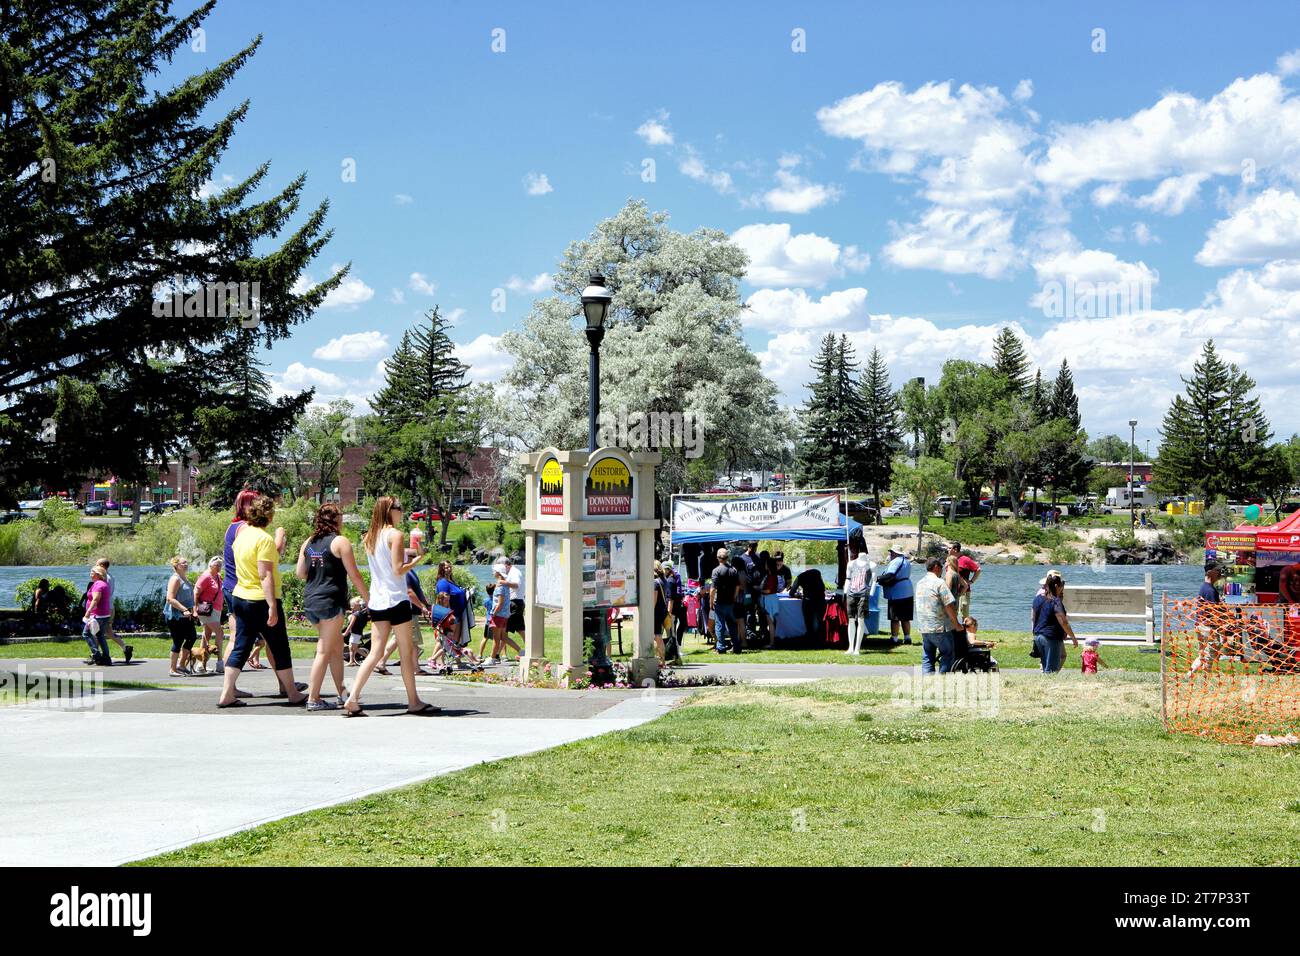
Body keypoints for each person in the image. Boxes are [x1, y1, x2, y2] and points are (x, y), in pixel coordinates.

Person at [344, 496, 437, 716]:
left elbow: (387, 562)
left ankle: (352, 697)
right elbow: (397, 569)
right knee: (405, 653)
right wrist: (417, 561)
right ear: (390, 510)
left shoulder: (369, 537)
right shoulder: (395, 534)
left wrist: (410, 553)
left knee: (375, 652)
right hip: (396, 599)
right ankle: (413, 701)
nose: (402, 512)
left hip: (377, 601)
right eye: (399, 508)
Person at [217, 494, 306, 708]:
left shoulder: (241, 538)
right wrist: (273, 606)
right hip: (260, 600)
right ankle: (292, 692)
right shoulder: (264, 539)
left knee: (241, 646)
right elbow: (265, 575)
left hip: (240, 595)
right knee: (280, 647)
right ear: (268, 515)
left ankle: (226, 694)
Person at [296, 502, 370, 711]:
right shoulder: (340, 542)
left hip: (311, 600)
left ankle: (342, 693)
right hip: (330, 601)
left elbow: (300, 573)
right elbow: (354, 574)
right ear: (336, 519)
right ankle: (313, 698)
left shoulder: (309, 542)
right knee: (324, 650)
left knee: (337, 648)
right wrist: (368, 598)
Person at [915, 556, 960, 674]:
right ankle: (942, 680)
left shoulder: (919, 583)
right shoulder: (939, 583)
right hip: (940, 627)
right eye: (941, 567)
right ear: (935, 567)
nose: (942, 570)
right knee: (947, 653)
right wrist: (956, 624)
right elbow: (949, 605)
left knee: (928, 656)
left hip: (924, 627)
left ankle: (927, 681)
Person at [1031, 571, 1079, 673]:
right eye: (1061, 585)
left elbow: (1034, 618)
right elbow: (1063, 622)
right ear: (1057, 586)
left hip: (1038, 636)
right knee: (1051, 671)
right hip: (1051, 637)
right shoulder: (1055, 601)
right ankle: (1047, 687)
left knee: (1045, 669)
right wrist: (1073, 637)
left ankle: (1042, 687)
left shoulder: (1037, 599)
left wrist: (1034, 633)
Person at [163, 555, 198, 676]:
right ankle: (172, 669)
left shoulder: (184, 578)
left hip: (186, 615)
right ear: (177, 566)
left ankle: (182, 665)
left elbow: (190, 597)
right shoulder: (175, 579)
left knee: (192, 637)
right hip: (175, 615)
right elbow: (170, 599)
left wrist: (194, 610)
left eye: (187, 562)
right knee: (178, 641)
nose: (186, 564)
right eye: (183, 563)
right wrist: (184, 610)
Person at [93, 558, 132, 663]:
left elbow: (103, 594)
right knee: (107, 632)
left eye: (96, 565)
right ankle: (125, 648)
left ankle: (95, 655)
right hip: (109, 607)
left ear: (102, 566)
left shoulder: (106, 578)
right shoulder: (108, 577)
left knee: (96, 631)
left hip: (105, 609)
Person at [193, 556, 225, 674]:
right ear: (210, 565)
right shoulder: (205, 576)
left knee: (206, 634)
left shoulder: (217, 576)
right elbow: (196, 592)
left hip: (216, 610)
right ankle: (220, 662)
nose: (219, 567)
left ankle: (201, 664)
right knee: (220, 632)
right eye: (217, 565)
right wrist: (195, 609)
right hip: (207, 610)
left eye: (220, 565)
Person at [483, 566, 521, 664]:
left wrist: (493, 614)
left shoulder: (499, 587)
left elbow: (499, 603)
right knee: (503, 638)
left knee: (496, 639)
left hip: (498, 615)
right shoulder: (505, 585)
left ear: (498, 573)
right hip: (505, 615)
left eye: (494, 571)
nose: (493, 573)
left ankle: (492, 658)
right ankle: (521, 651)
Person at [710, 548, 742, 653]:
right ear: (727, 557)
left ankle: (721, 647)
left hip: (719, 601)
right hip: (730, 601)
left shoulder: (716, 571)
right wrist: (734, 596)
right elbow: (738, 586)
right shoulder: (733, 570)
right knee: (732, 625)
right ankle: (736, 646)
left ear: (718, 558)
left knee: (720, 625)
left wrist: (711, 601)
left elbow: (713, 589)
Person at [880, 546, 914, 644]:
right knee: (906, 617)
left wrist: (878, 579)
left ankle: (894, 638)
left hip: (897, 591)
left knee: (894, 617)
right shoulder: (907, 561)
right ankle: (907, 637)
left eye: (891, 552)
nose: (890, 554)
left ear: (895, 553)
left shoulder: (895, 561)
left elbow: (890, 574)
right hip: (908, 590)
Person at [81, 565, 113, 666]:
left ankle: (97, 655)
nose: (90, 574)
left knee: (86, 634)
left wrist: (88, 612)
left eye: (92, 572)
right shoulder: (104, 584)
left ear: (98, 574)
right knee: (100, 636)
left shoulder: (98, 584)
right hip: (104, 615)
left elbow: (95, 599)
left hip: (97, 615)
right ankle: (106, 659)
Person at [844, 549, 874, 655]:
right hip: (851, 593)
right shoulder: (851, 564)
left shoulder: (871, 564)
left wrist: (871, 592)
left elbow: (874, 580)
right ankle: (850, 647)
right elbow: (848, 578)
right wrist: (845, 590)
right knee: (851, 620)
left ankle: (857, 648)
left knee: (861, 621)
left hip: (863, 594)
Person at [435, 561, 470, 648]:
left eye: (450, 567)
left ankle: (456, 658)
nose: (449, 569)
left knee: (454, 640)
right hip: (451, 615)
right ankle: (435, 659)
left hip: (458, 613)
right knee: (446, 638)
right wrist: (449, 615)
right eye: (446, 568)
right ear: (441, 569)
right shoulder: (443, 582)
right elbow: (443, 599)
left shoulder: (451, 581)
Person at [791, 566, 826, 645]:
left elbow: (791, 592)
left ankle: (811, 638)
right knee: (820, 620)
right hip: (820, 599)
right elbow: (822, 587)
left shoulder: (800, 576)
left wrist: (798, 595)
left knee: (809, 621)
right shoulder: (817, 573)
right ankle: (820, 638)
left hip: (808, 600)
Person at [342, 597, 369, 666]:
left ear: (358, 606)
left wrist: (345, 633)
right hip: (357, 633)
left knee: (354, 647)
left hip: (355, 633)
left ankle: (369, 658)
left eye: (353, 605)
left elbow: (350, 625)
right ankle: (351, 661)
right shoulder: (362, 613)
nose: (351, 607)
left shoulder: (355, 615)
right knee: (351, 647)